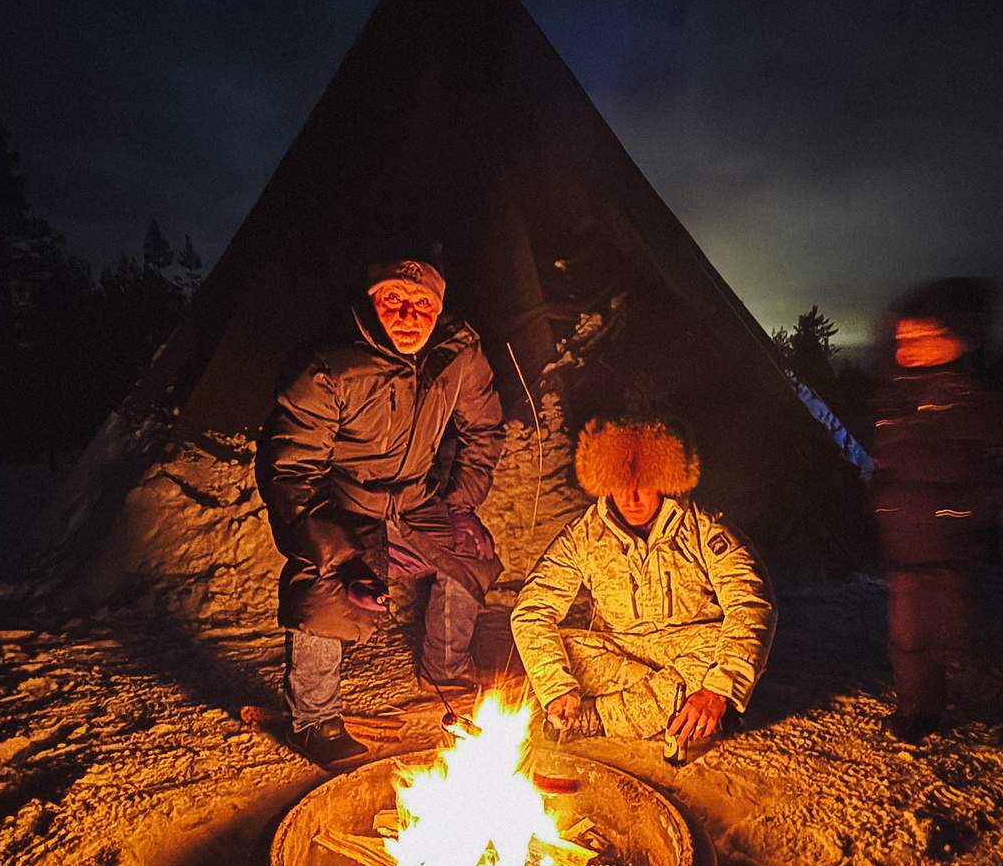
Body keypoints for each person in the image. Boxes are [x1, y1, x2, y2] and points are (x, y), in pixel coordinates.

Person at [256, 255, 505, 767]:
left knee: (471, 550)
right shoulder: (329, 367)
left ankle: (445, 668)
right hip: (345, 503)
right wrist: (339, 551)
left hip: (414, 500)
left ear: (439, 310)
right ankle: (313, 720)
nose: (409, 316)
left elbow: (483, 431)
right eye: (394, 300)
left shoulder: (459, 353)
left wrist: (459, 503)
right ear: (372, 302)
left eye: (423, 305)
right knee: (321, 580)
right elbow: (290, 473)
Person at [510, 417, 775, 747]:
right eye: (620, 484)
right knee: (560, 653)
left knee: (717, 657)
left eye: (643, 484)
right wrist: (557, 688)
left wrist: (718, 689)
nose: (631, 498)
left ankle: (599, 719)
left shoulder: (704, 529)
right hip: (623, 654)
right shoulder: (583, 536)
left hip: (691, 651)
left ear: (664, 482)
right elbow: (532, 611)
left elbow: (750, 604)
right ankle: (673, 712)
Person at [871, 279, 1003, 742]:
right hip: (907, 540)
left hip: (957, 542)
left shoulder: (975, 399)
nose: (909, 348)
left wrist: (961, 513)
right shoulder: (896, 396)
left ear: (958, 339)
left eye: (923, 338)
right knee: (909, 633)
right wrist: (881, 503)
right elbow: (885, 460)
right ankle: (918, 708)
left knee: (963, 631)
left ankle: (990, 694)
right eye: (903, 339)